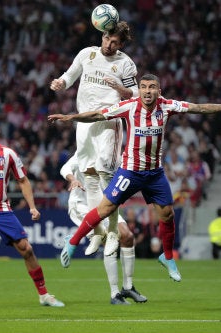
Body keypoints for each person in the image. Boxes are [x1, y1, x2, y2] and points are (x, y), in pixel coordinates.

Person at [49, 73, 221, 282]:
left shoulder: (167, 106)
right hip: (130, 171)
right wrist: (70, 118)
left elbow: (199, 107)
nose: (147, 91)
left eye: (152, 87)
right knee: (105, 209)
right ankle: (73, 241)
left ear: (159, 90)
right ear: (139, 89)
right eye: (144, 87)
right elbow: (97, 115)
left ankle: (167, 257)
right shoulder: (129, 106)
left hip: (155, 174)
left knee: (167, 214)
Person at [50, 21, 139, 257]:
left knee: (104, 173)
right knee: (88, 174)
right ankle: (97, 231)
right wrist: (60, 83)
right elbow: (69, 76)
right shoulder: (86, 54)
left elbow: (137, 94)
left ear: (121, 45)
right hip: (83, 122)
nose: (110, 45)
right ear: (102, 36)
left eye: (116, 43)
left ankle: (112, 231)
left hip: (108, 121)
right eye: (108, 39)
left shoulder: (125, 63)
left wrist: (120, 89)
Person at [0, 114, 64, 308]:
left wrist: (32, 207)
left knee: (26, 249)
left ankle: (44, 295)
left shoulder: (9, 154)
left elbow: (23, 180)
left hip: (1, 210)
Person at [60, 153, 147, 304]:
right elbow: (65, 168)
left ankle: (128, 287)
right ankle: (115, 294)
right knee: (108, 241)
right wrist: (73, 179)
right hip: (82, 205)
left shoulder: (114, 156)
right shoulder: (85, 151)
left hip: (105, 205)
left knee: (127, 236)